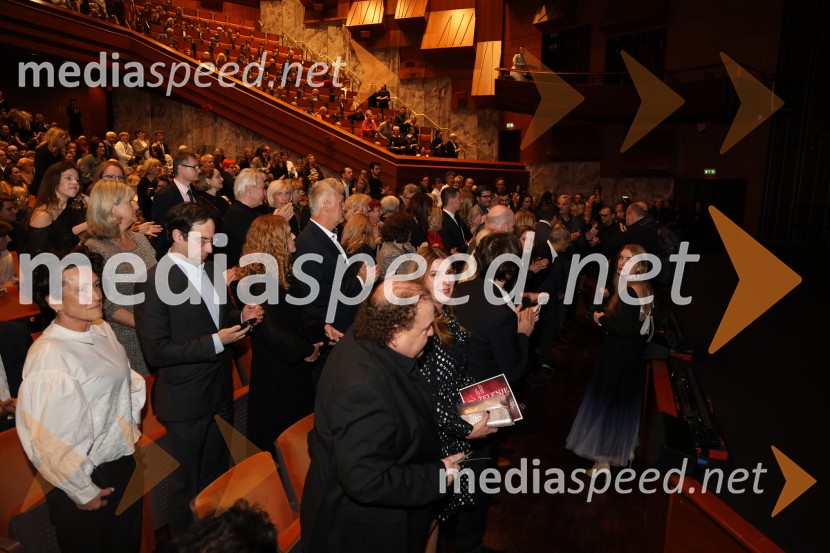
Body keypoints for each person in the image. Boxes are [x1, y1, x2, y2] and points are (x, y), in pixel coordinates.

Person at [300, 281, 465, 553]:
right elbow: (367, 481)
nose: (432, 335)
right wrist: (435, 476)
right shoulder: (364, 389)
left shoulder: (365, 334)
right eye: (425, 329)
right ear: (395, 333)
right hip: (363, 533)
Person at [134, 202, 263, 535]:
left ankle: (215, 539)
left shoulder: (207, 270)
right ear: (177, 235)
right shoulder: (153, 280)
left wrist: (242, 316)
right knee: (186, 488)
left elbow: (220, 317)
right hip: (185, 400)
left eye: (211, 241)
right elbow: (157, 351)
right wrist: (216, 341)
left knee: (216, 476)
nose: (209, 248)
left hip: (219, 389)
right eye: (202, 241)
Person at [17, 250, 145, 553]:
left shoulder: (100, 329)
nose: (96, 295)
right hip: (85, 476)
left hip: (121, 461)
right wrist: (81, 489)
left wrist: (129, 428)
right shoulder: (51, 357)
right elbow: (47, 437)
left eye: (97, 285)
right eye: (82, 289)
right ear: (55, 301)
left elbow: (129, 380)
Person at [399, 247, 497, 553]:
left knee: (437, 518)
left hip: (450, 430)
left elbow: (457, 377)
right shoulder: (422, 323)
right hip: (433, 436)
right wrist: (466, 428)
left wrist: (489, 402)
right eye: (435, 273)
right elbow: (427, 395)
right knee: (427, 518)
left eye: (450, 272)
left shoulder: (445, 313)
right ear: (419, 279)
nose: (447, 280)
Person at [237, 215, 322, 455]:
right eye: (288, 233)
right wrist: (307, 350)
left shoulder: (283, 271)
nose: (294, 236)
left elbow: (299, 313)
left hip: (292, 364)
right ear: (274, 241)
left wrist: (323, 329)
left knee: (297, 438)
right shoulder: (258, 281)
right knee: (279, 442)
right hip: (276, 371)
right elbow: (270, 331)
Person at [566, 244, 654, 474]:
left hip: (618, 353)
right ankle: (624, 449)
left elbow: (622, 328)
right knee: (620, 401)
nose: (622, 263)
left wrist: (600, 318)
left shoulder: (629, 291)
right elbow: (633, 324)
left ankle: (602, 461)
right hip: (632, 353)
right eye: (621, 258)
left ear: (640, 264)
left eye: (628, 259)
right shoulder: (643, 286)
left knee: (607, 402)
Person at [85, 178, 160, 376]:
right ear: (112, 208)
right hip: (125, 338)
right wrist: (148, 324)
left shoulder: (139, 238)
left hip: (155, 330)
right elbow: (106, 305)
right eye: (130, 201)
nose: (136, 205)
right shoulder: (95, 248)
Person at [27, 161, 88, 256]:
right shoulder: (43, 215)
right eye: (68, 178)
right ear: (54, 180)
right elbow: (36, 258)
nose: (75, 182)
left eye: (77, 179)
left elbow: (99, 207)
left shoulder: (71, 206)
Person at [376, 211, 416, 277]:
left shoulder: (405, 244)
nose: (411, 232)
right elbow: (405, 277)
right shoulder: (389, 254)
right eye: (409, 230)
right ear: (403, 231)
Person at [32, 127, 67, 196]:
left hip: (57, 187)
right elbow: (40, 173)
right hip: (43, 188)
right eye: (63, 138)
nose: (65, 141)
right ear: (55, 138)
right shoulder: (41, 151)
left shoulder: (61, 155)